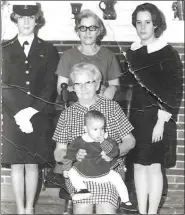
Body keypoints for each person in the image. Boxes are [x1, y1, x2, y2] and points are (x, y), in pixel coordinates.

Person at [53, 62, 136, 214]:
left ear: (97, 85)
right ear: (73, 87)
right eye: (78, 84)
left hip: (110, 170)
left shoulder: (112, 107)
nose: (83, 88)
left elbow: (130, 141)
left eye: (88, 83)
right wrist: (69, 157)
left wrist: (115, 152)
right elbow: (59, 150)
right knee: (83, 206)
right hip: (79, 172)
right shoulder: (67, 114)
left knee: (105, 207)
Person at [1, 2, 59, 214]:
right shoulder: (4, 49)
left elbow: (49, 86)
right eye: (22, 17)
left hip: (38, 114)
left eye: (31, 17)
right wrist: (19, 114)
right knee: (17, 163)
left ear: (37, 20)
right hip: (13, 115)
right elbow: (3, 85)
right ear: (15, 19)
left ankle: (29, 209)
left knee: (33, 163)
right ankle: (20, 209)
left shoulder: (48, 49)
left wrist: (31, 111)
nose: (26, 21)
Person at [125, 3, 183, 214]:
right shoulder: (131, 52)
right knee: (138, 166)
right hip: (136, 119)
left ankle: (152, 212)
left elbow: (174, 90)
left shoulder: (167, 53)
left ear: (156, 24)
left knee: (154, 167)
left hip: (159, 119)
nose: (142, 27)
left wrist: (161, 121)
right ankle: (142, 211)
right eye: (139, 22)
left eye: (147, 22)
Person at [60, 110, 136, 211]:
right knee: (71, 172)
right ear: (85, 129)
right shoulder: (79, 140)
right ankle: (82, 189)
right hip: (83, 173)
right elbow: (69, 154)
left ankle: (125, 200)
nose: (99, 132)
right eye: (95, 129)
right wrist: (66, 168)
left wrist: (103, 142)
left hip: (103, 172)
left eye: (102, 128)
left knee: (117, 178)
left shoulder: (107, 140)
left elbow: (114, 152)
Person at [56, 9, 122, 100]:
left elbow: (116, 85)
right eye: (83, 28)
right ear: (77, 31)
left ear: (99, 31)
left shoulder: (109, 56)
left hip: (101, 106)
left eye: (92, 28)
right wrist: (81, 88)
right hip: (75, 105)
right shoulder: (67, 56)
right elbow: (61, 89)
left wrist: (112, 88)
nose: (88, 32)